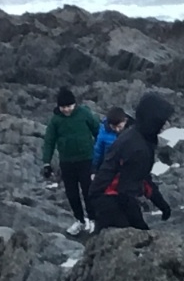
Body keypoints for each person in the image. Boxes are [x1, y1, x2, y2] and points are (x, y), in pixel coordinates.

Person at [89, 92, 176, 231]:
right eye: (162, 121)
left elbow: (141, 177)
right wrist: (140, 227)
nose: (165, 124)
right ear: (152, 121)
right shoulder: (138, 148)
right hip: (108, 198)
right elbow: (126, 192)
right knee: (133, 237)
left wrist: (161, 204)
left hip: (106, 194)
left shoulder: (138, 135)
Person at [40, 88, 101, 235]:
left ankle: (93, 220)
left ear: (74, 104)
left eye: (69, 106)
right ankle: (80, 220)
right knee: (72, 194)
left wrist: (100, 155)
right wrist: (46, 162)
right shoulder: (55, 120)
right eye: (63, 107)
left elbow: (98, 131)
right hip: (67, 162)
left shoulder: (84, 113)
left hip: (86, 160)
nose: (66, 109)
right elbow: (49, 141)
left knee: (88, 191)